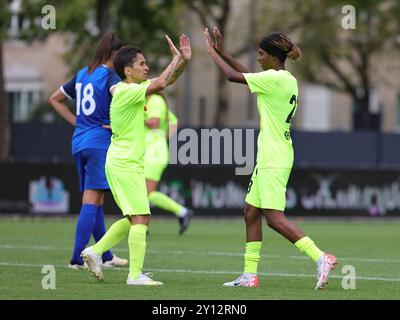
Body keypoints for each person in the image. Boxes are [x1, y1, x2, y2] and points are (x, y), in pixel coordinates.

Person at [204, 27, 337, 290]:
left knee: (274, 218)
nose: (258, 58)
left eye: (261, 54)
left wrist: (211, 52)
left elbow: (233, 76)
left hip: (274, 156)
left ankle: (321, 257)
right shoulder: (283, 79)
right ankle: (249, 275)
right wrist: (223, 52)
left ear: (274, 57)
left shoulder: (276, 79)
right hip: (271, 153)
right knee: (250, 212)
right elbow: (247, 74)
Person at [81, 34, 191, 285]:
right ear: (128, 70)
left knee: (134, 217)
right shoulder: (128, 91)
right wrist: (176, 58)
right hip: (125, 164)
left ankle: (95, 251)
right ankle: (134, 276)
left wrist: (182, 61)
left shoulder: (129, 89)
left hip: (122, 162)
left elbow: (167, 80)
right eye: (141, 64)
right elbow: (162, 83)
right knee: (142, 216)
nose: (146, 67)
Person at [48, 32, 128, 270]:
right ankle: (76, 258)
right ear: (114, 54)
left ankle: (106, 255)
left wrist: (76, 121)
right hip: (98, 142)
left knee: (95, 201)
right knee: (92, 199)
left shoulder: (83, 74)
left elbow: (54, 99)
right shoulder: (110, 76)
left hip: (79, 141)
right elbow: (120, 96)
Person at [144, 92, 193, 234]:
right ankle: (142, 225)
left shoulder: (155, 100)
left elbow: (154, 122)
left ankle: (182, 212)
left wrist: (134, 118)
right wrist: (164, 137)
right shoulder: (150, 101)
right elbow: (173, 121)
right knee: (142, 193)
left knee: (147, 193)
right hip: (150, 151)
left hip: (153, 153)